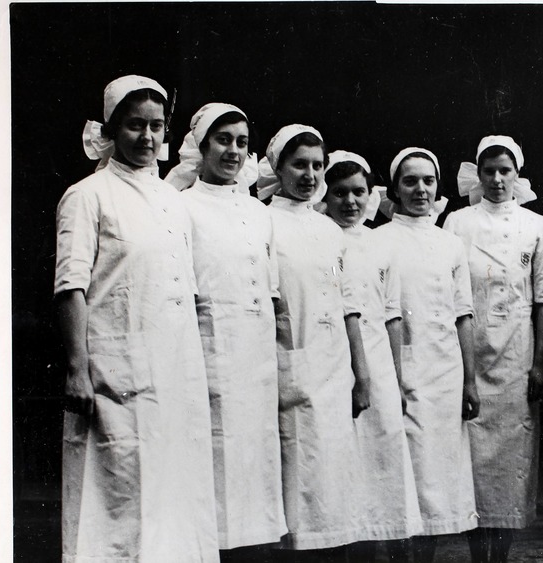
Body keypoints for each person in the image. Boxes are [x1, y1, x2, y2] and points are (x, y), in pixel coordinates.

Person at [57, 75, 220, 562]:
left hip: (175, 372)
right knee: (119, 502)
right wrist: (76, 369)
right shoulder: (87, 195)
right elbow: (70, 288)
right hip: (116, 374)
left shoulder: (173, 199)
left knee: (175, 499)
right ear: (110, 129)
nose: (147, 138)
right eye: (134, 126)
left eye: (156, 126)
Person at [163, 103, 285, 559]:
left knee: (256, 473)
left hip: (257, 360)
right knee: (216, 473)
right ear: (200, 145)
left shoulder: (259, 212)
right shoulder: (180, 206)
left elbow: (269, 292)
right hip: (209, 357)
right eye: (223, 140)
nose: (233, 150)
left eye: (241, 142)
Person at [445, 135, 543, 563]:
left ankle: (503, 556)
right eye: (489, 171)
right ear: (478, 173)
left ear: (517, 174)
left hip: (518, 354)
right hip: (470, 351)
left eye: (505, 170)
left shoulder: (536, 225)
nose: (497, 179)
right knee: (474, 460)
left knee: (511, 460)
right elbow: (450, 291)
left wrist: (539, 365)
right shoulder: (458, 222)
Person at [260, 125, 372, 562]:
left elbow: (349, 305)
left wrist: (361, 374)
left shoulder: (329, 229)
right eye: (299, 165)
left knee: (333, 489)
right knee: (298, 489)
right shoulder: (264, 220)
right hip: (291, 367)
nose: (309, 175)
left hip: (333, 371)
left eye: (317, 166)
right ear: (278, 167)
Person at [377, 147, 481, 562]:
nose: (420, 189)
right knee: (407, 478)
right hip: (400, 369)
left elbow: (463, 313)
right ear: (394, 189)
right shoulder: (378, 239)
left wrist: (470, 379)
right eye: (410, 181)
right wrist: (393, 378)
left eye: (428, 181)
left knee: (436, 481)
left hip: (445, 372)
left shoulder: (450, 244)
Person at [322, 150, 423, 562]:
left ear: (371, 195)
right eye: (340, 192)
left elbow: (393, 316)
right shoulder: (322, 238)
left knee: (382, 463)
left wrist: (395, 379)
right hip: (335, 361)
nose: (350, 202)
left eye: (358, 192)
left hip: (378, 363)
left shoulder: (381, 244)